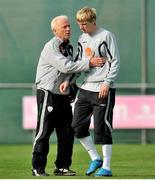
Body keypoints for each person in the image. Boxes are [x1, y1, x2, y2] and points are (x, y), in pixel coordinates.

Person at [32, 15, 105, 176]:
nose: (68, 29)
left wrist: (71, 83)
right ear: (55, 30)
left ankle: (62, 166)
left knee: (67, 132)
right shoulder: (50, 47)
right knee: (43, 132)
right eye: (64, 27)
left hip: (63, 95)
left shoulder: (68, 47)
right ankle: (37, 167)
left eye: (69, 26)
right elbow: (66, 67)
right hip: (48, 93)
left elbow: (72, 71)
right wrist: (90, 62)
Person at [71, 7, 120, 177]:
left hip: (102, 88)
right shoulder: (81, 38)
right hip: (85, 88)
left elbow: (115, 61)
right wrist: (69, 81)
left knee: (102, 128)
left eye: (84, 24)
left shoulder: (106, 35)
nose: (81, 27)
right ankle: (95, 158)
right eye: (79, 24)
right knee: (77, 127)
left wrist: (107, 82)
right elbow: (79, 62)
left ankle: (106, 166)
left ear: (93, 21)